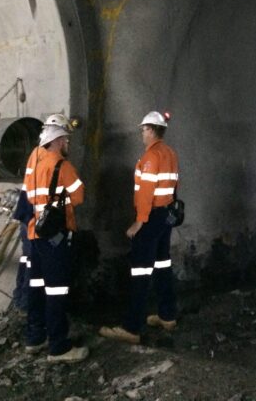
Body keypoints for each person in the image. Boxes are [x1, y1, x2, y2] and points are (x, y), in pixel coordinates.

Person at [100, 110, 179, 344]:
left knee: (140, 272)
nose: (142, 134)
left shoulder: (150, 158)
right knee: (163, 265)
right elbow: (173, 186)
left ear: (152, 130)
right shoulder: (170, 153)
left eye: (144, 129)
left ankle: (131, 328)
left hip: (151, 217)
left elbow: (146, 193)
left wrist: (139, 221)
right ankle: (168, 315)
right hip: (165, 215)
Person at [25, 119, 88, 362]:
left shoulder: (34, 159)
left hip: (35, 232)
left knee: (37, 287)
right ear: (58, 140)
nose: (67, 143)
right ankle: (59, 347)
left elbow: (30, 195)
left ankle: (35, 338)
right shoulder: (62, 165)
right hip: (55, 236)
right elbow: (80, 196)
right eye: (66, 139)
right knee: (57, 289)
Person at [13, 114, 74, 314]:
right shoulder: (46, 157)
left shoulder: (38, 153)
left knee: (29, 260)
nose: (67, 143)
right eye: (65, 139)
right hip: (35, 215)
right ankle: (25, 305)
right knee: (33, 262)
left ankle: (25, 307)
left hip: (31, 212)